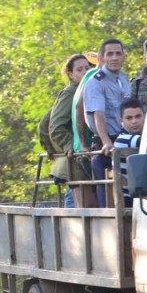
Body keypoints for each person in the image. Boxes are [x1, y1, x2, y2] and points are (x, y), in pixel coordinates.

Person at [83, 38, 130, 206]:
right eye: (110, 54)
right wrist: (106, 142)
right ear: (102, 57)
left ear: (124, 56)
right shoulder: (96, 82)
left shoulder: (124, 78)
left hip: (125, 140)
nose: (115, 58)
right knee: (110, 201)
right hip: (107, 145)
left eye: (118, 53)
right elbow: (98, 114)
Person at [49, 53, 95, 207]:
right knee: (86, 209)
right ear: (70, 74)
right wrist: (70, 145)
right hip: (76, 158)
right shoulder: (71, 92)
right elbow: (55, 126)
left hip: (86, 156)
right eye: (79, 69)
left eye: (87, 69)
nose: (84, 73)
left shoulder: (88, 89)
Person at [113, 98, 145, 203]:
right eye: (129, 118)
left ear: (144, 116)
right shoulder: (122, 139)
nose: (134, 121)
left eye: (138, 116)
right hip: (130, 199)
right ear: (121, 121)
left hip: (145, 195)